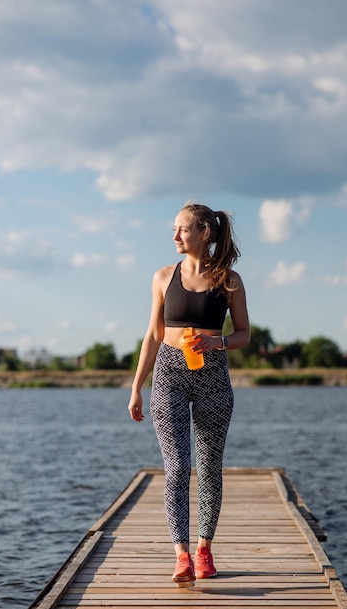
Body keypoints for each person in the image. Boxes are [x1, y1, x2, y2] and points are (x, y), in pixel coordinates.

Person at [128, 203, 250, 585]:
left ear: (204, 234)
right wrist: (135, 387)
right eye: (175, 229)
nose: (175, 236)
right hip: (168, 373)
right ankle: (181, 555)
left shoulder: (229, 280)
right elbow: (152, 336)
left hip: (212, 373)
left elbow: (245, 334)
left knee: (210, 467)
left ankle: (204, 550)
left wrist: (218, 342)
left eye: (181, 229)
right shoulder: (163, 277)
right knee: (178, 467)